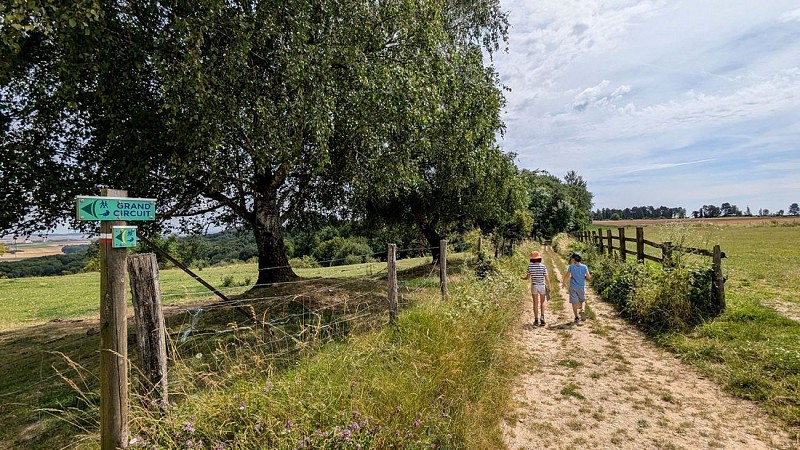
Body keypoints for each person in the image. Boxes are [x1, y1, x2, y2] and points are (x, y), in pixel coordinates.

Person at [521, 251, 550, 326]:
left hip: (534, 285)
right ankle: (542, 316)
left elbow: (527, 278)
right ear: (539, 258)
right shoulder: (543, 266)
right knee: (543, 302)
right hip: (542, 285)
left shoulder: (530, 266)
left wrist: (522, 278)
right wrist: (549, 286)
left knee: (535, 303)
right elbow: (547, 278)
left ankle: (536, 320)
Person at [562, 252, 591, 323]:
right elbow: (588, 276)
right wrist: (583, 277)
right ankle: (583, 310)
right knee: (582, 300)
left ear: (574, 259)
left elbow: (567, 276)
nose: (571, 259)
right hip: (581, 287)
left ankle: (576, 317)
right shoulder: (584, 266)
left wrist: (564, 282)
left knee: (574, 302)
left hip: (573, 287)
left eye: (572, 258)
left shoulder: (571, 266)